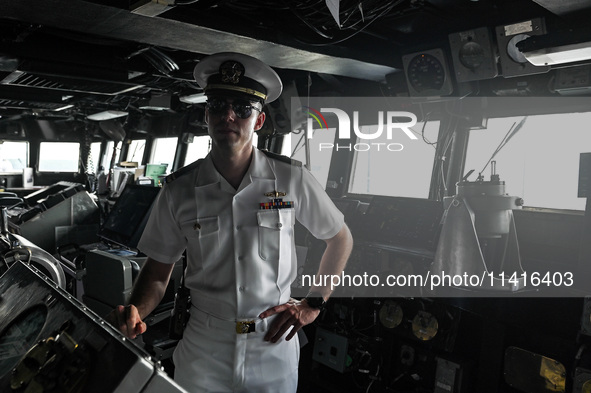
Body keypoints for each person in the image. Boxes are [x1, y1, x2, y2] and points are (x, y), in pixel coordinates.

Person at [108, 52, 353, 392]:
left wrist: (314, 302)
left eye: (242, 108)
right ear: (206, 114)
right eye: (219, 105)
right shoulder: (179, 191)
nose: (228, 115)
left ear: (259, 121)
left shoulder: (291, 178)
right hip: (205, 349)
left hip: (273, 344)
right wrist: (136, 310)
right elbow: (157, 272)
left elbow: (339, 238)